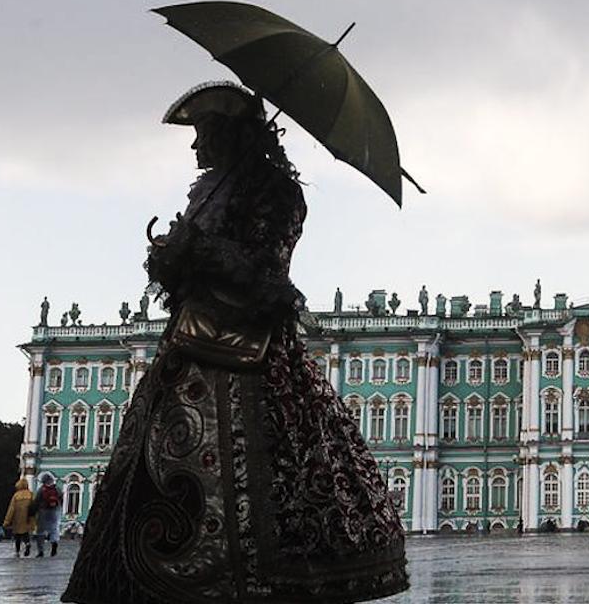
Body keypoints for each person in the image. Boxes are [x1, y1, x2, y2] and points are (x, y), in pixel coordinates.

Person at [63, 82, 408, 603]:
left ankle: (250, 573)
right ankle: (149, 571)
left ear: (234, 133)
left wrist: (202, 249)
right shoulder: (208, 192)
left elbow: (269, 268)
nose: (196, 145)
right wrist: (171, 257)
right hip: (191, 339)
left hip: (250, 349)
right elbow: (188, 280)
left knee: (273, 463)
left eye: (205, 132)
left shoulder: (278, 193)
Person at [3, 477, 38, 557]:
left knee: (17, 535)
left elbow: (11, 509)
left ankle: (17, 551)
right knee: (26, 533)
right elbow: (35, 506)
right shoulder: (31, 494)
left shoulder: (16, 496)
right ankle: (27, 543)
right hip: (28, 518)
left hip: (17, 519)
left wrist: (7, 521)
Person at [34, 473, 64, 557]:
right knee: (54, 529)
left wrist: (35, 510)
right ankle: (54, 544)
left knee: (40, 531)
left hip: (43, 511)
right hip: (55, 511)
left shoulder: (42, 489)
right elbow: (61, 498)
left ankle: (40, 551)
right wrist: (58, 507)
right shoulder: (57, 489)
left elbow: (37, 500)